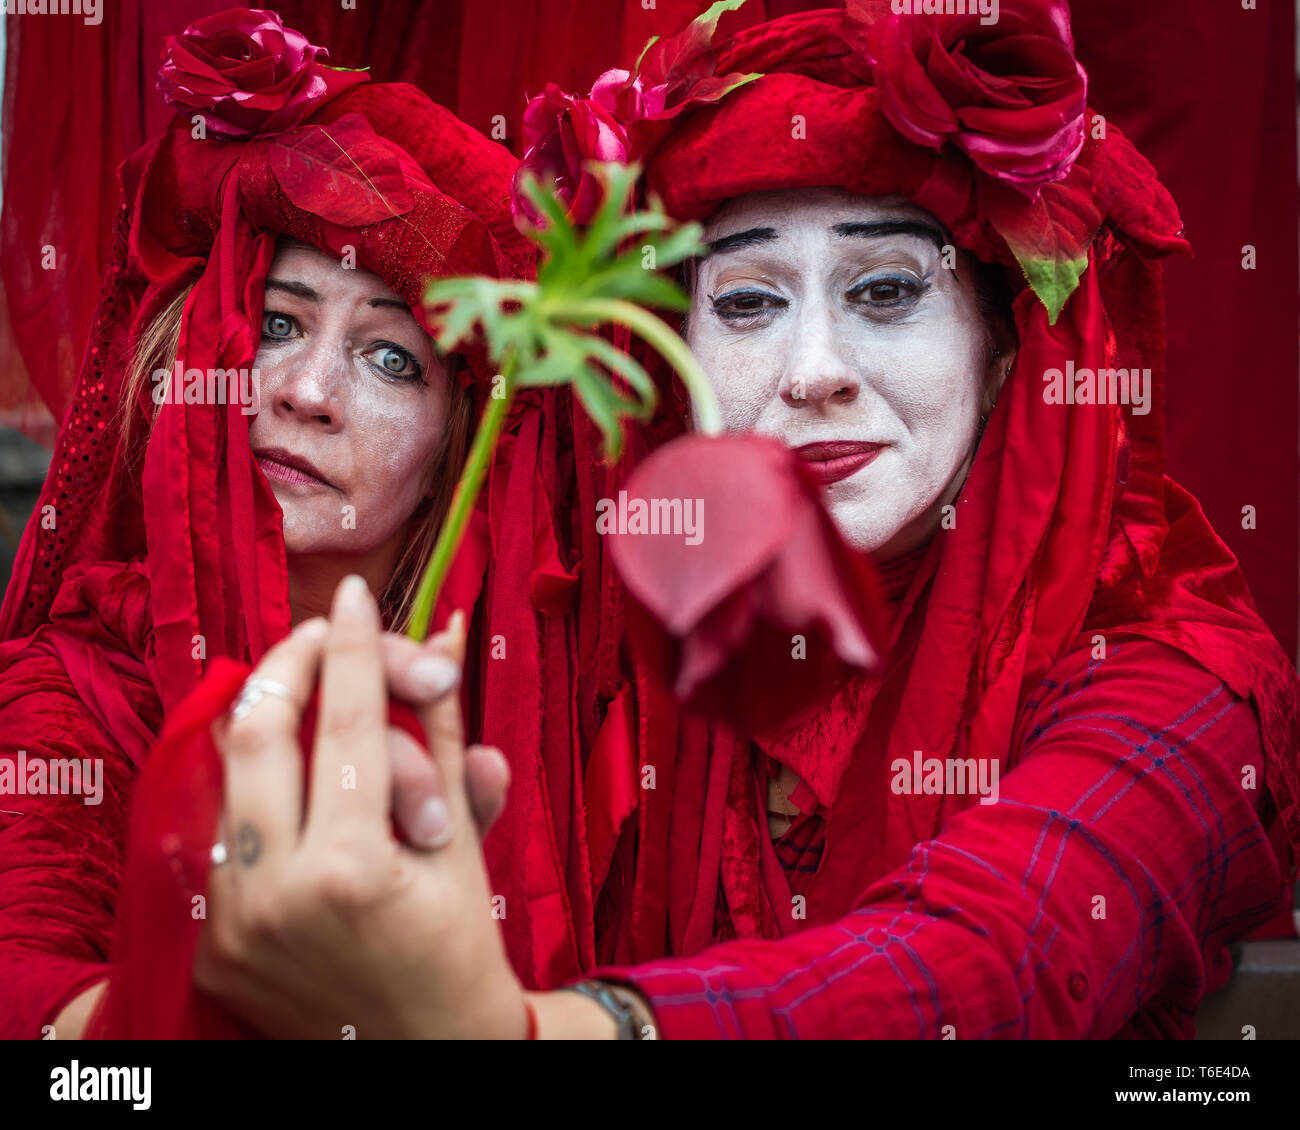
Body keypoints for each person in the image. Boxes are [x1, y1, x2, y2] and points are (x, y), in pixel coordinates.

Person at [158, 0, 1300, 1039]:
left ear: (1002, 348)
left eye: (886, 290)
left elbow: (998, 954)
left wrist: (557, 1030)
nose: (811, 372)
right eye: (748, 303)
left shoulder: (1175, 678)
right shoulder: (616, 622)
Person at [0, 9, 569, 1038]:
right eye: (275, 323)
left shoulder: (530, 701)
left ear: (460, 445)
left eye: (390, 356)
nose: (306, 391)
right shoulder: (78, 685)